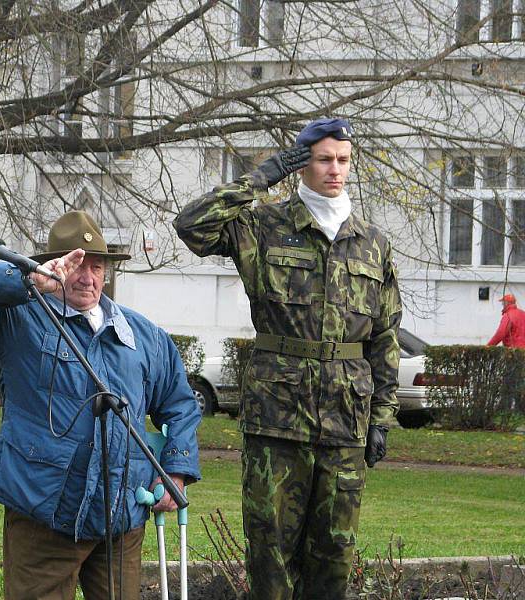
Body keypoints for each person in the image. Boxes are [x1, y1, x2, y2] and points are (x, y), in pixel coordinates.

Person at [174, 117, 402, 600]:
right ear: (301, 164)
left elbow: (384, 337)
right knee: (270, 559)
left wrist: (380, 418)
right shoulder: (263, 226)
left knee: (334, 562)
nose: (334, 169)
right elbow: (191, 224)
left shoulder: (373, 243)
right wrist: (260, 178)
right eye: (323, 159)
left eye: (342, 159)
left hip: (345, 424)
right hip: (277, 422)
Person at [0, 210, 201, 599]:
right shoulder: (21, 318)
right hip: (43, 513)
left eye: (97, 265)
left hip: (121, 518)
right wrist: (29, 279)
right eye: (77, 265)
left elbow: (181, 405)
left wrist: (176, 471)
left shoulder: (143, 334)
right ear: (55, 266)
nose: (88, 276)